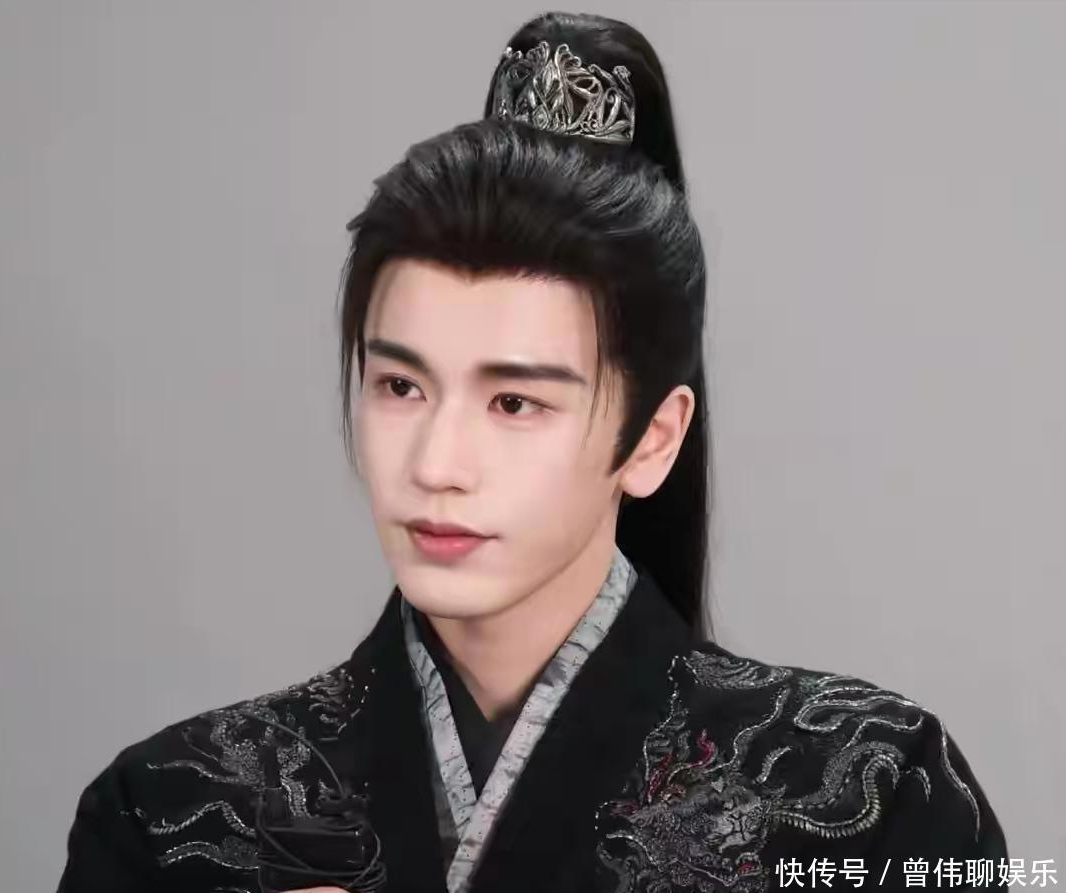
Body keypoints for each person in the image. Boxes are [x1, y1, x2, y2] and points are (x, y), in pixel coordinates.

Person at [57, 11, 1008, 893]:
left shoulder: (875, 800)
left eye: (514, 401)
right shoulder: (172, 814)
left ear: (652, 437)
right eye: (401, 387)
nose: (437, 463)